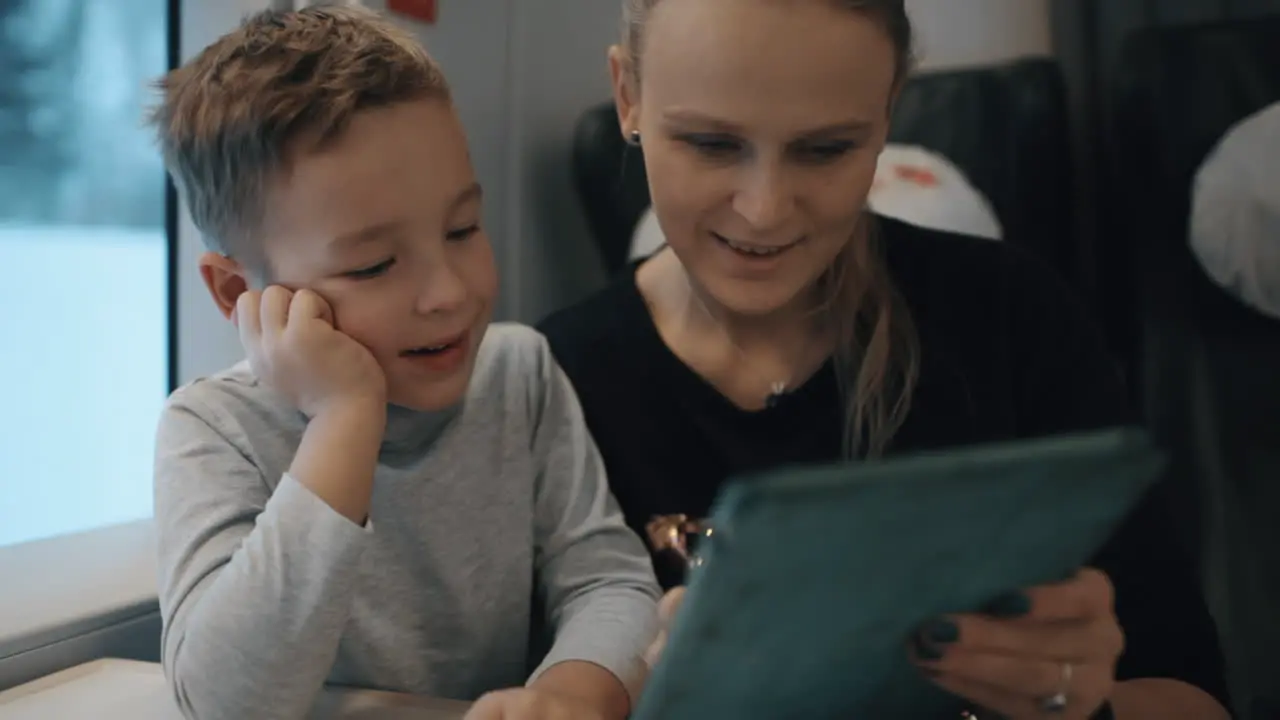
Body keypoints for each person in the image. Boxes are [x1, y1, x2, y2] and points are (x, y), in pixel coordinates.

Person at [537, 0, 1233, 717]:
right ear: (628, 97)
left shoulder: (1012, 318)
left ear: (890, 107)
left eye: (826, 148)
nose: (764, 210)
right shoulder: (552, 383)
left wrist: (1079, 705)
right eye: (711, 143)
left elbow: (1195, 697)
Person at [149, 7, 658, 720]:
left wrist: (571, 691)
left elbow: (608, 580)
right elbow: (226, 703)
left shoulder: (520, 374)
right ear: (240, 293)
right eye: (374, 265)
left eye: (463, 229)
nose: (449, 293)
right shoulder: (211, 429)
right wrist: (343, 419)